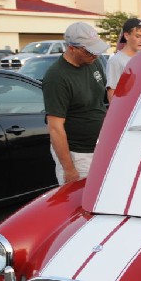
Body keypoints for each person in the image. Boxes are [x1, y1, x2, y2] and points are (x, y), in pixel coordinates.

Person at [42, 22, 109, 185]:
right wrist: (69, 169)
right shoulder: (57, 77)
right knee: (80, 204)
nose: (96, 56)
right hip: (78, 155)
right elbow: (55, 128)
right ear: (72, 48)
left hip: (100, 149)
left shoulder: (93, 62)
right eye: (90, 52)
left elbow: (102, 100)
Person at [106, 18, 141, 102]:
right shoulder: (116, 61)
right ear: (127, 36)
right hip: (127, 109)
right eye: (138, 36)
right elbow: (112, 94)